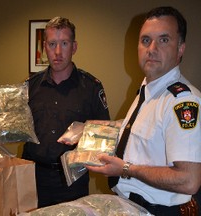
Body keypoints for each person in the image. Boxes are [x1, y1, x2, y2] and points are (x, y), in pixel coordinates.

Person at [86, 6, 201, 215]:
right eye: (146, 40)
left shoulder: (182, 101)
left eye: (164, 40)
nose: (152, 48)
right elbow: (146, 131)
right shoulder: (149, 89)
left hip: (159, 210)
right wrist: (91, 130)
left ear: (181, 48)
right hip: (131, 206)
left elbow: (189, 180)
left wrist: (126, 169)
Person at [22, 16, 110, 208]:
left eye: (64, 43)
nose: (58, 52)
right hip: (34, 177)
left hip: (73, 180)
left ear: (74, 47)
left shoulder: (91, 87)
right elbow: (18, 129)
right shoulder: (29, 87)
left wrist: (86, 134)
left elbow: (105, 135)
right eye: (52, 44)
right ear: (45, 46)